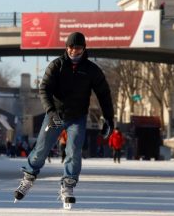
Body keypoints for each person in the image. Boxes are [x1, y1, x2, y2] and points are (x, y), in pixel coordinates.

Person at [14, 32, 114, 206]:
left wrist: (108, 117)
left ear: (84, 49)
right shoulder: (57, 65)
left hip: (77, 117)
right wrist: (51, 111)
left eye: (78, 48)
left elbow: (104, 94)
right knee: (42, 148)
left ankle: (68, 184)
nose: (74, 51)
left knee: (74, 150)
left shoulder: (91, 70)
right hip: (57, 115)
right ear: (66, 48)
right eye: (71, 47)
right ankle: (29, 177)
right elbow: (44, 88)